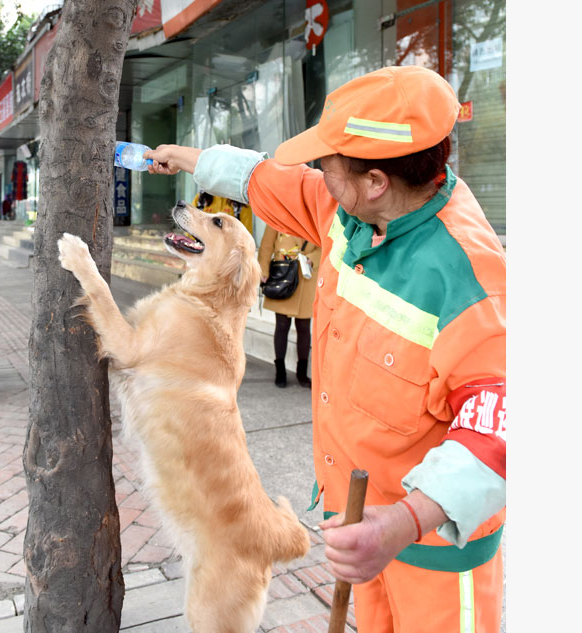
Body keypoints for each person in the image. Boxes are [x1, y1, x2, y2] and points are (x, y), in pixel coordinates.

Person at [144, 66, 506, 633]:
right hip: (359, 530)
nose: (317, 173)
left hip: (432, 552)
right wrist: (186, 157)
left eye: (327, 164)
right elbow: (262, 178)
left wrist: (402, 523)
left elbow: (496, 430)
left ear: (376, 182)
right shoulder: (346, 210)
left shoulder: (473, 282)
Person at [256, 226, 321, 388]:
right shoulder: (278, 216)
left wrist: (313, 258)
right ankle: (280, 370)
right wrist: (263, 269)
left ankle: (301, 372)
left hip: (306, 274)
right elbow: (266, 245)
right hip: (283, 274)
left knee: (304, 326)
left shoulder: (314, 216)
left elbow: (325, 244)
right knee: (282, 324)